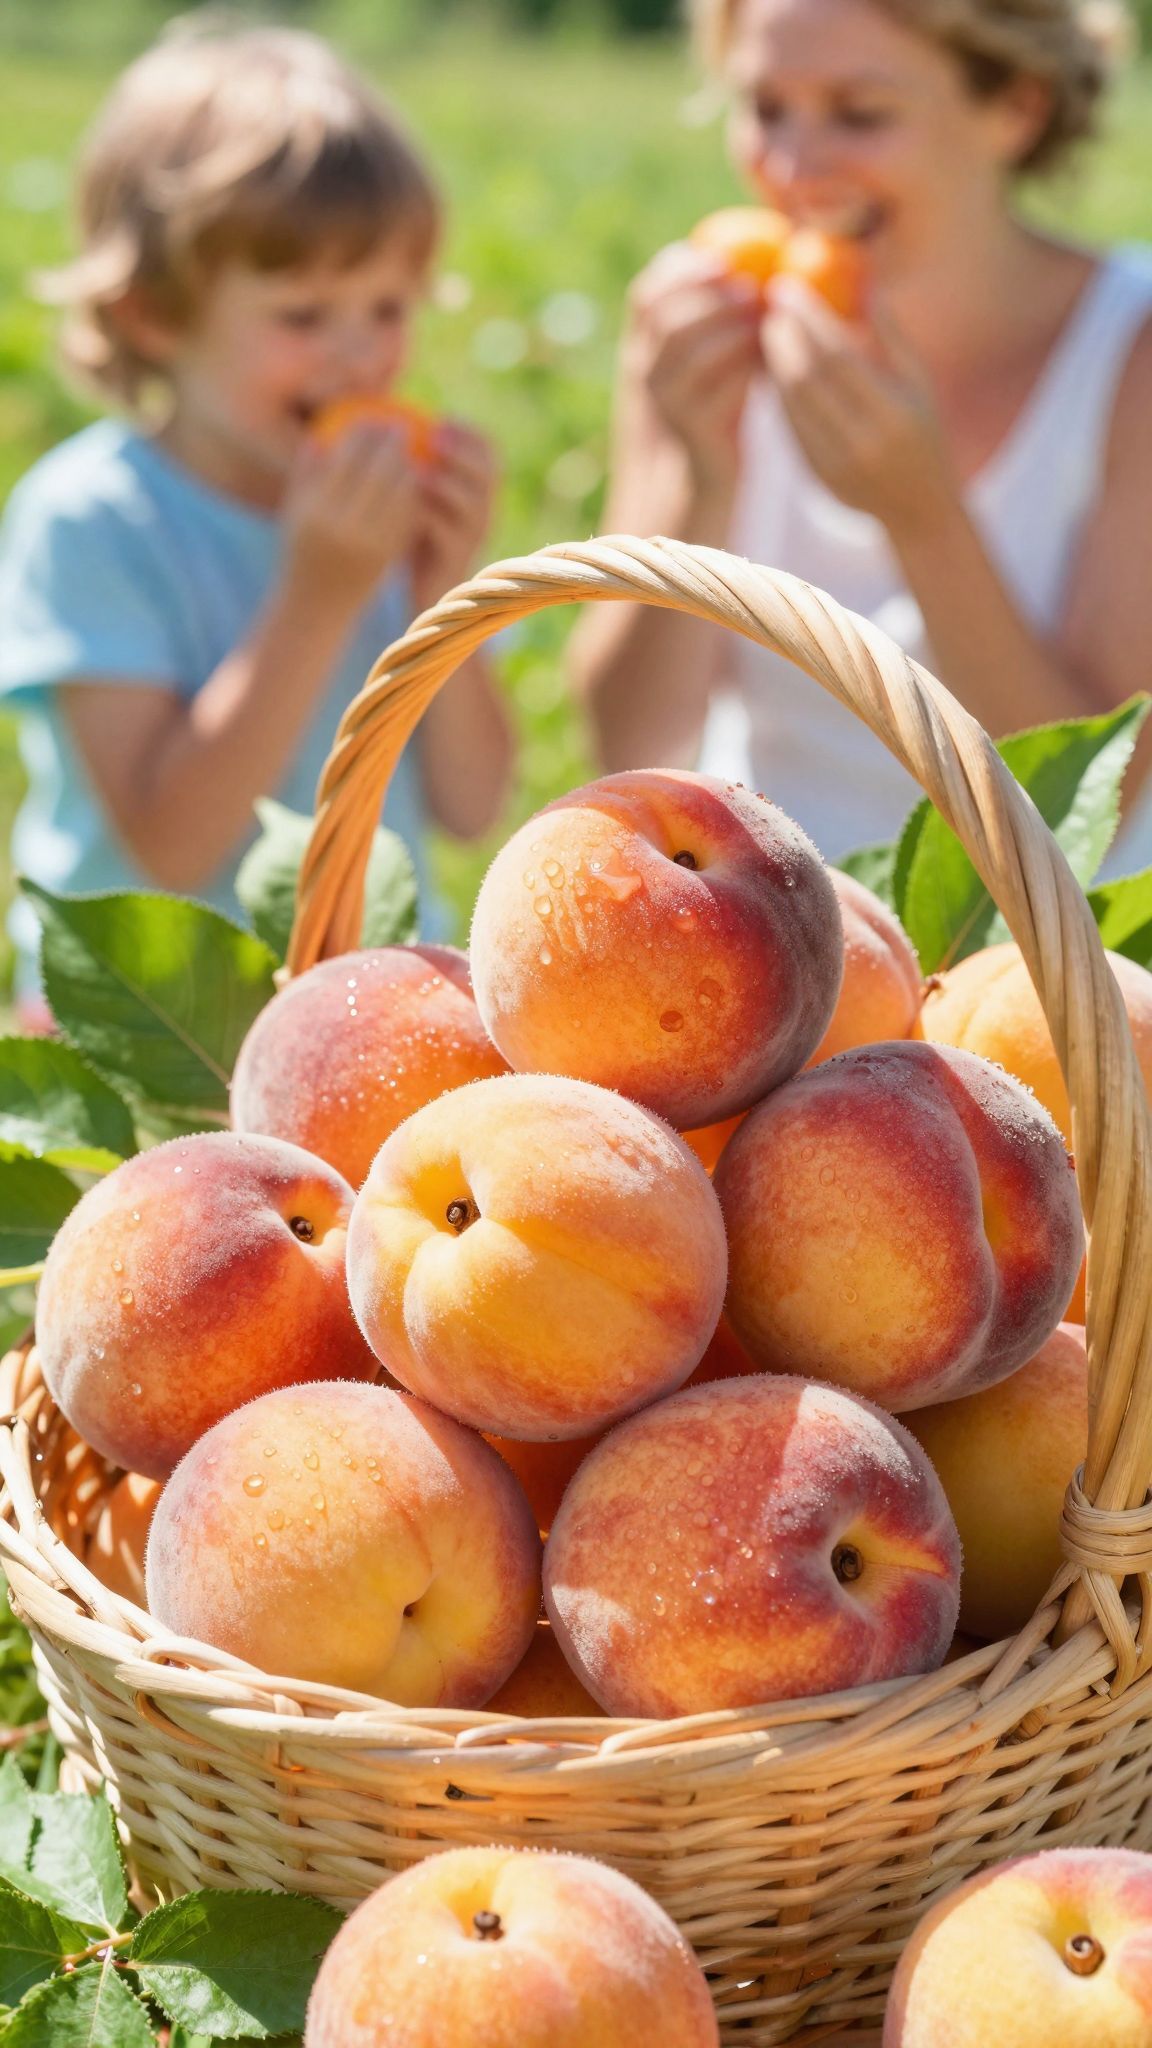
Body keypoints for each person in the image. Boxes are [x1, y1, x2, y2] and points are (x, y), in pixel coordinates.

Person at [0, 20, 512, 1013]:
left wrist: (447, 588)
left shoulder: (382, 516)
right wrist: (318, 594)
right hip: (159, 1024)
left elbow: (471, 801)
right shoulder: (94, 519)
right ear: (155, 313)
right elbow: (169, 840)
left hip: (370, 1008)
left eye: (390, 307)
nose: (360, 356)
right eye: (303, 316)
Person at [574, 0, 1152, 869]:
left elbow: (1090, 798)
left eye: (861, 114)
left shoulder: (1127, 355)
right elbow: (625, 740)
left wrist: (924, 515)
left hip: (1036, 959)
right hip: (768, 930)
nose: (792, 166)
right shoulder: (701, 329)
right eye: (766, 108)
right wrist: (704, 482)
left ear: (1017, 108)